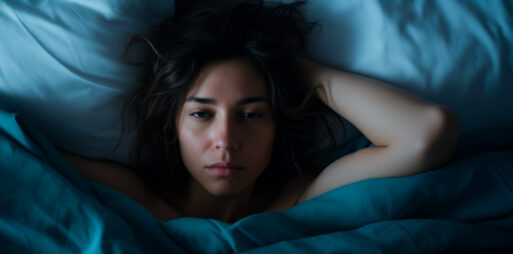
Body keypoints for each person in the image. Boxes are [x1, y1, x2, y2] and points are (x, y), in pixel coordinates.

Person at [61, 0, 459, 223]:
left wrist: (289, 67)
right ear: (173, 123)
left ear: (276, 125)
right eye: (202, 114)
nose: (227, 142)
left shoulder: (301, 200)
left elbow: (425, 133)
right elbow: (7, 158)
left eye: (251, 114)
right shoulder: (134, 199)